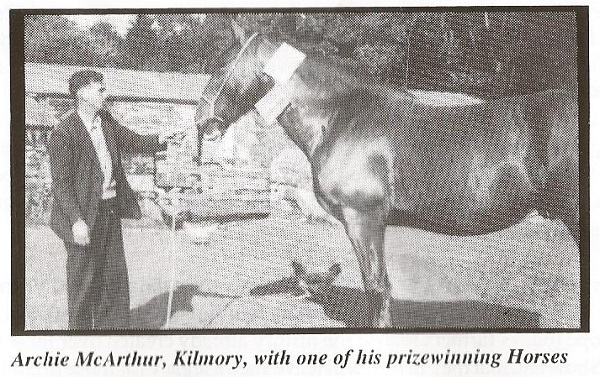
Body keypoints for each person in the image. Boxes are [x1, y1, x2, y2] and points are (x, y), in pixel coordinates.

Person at [47, 70, 182, 330]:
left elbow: (131, 140)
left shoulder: (105, 120)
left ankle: (113, 333)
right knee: (83, 280)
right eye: (100, 90)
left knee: (113, 277)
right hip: (82, 215)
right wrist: (76, 221)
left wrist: (162, 140)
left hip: (108, 210)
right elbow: (61, 185)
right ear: (83, 94)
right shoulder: (64, 132)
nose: (105, 94)